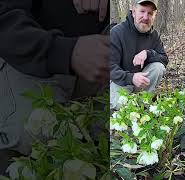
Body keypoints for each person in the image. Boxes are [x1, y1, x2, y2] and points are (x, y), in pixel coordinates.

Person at [0, 0, 109, 175]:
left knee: (111, 137)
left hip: (105, 45)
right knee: (38, 136)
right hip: (29, 52)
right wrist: (63, 52)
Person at [110, 0, 168, 109]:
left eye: (150, 13)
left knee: (158, 67)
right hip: (120, 82)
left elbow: (164, 59)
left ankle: (143, 102)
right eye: (142, 11)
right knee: (121, 105)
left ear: (154, 16)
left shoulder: (154, 35)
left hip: (142, 83)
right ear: (133, 12)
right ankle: (129, 103)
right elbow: (110, 67)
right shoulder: (117, 32)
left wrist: (148, 53)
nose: (146, 17)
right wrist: (131, 77)